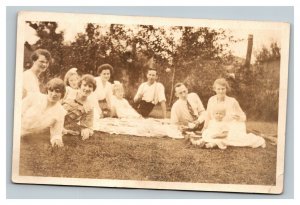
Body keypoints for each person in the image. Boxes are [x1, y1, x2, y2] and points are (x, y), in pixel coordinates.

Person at [21, 78, 66, 147]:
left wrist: (56, 140)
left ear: (62, 94)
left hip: (29, 137)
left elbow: (57, 132)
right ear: (47, 90)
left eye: (57, 91)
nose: (53, 94)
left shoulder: (60, 111)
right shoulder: (35, 97)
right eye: (51, 90)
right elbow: (17, 111)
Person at [62, 74, 96, 140]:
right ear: (80, 85)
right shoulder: (69, 92)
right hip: (53, 117)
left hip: (67, 125)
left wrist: (85, 130)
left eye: (90, 86)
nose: (87, 89)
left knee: (82, 131)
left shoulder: (89, 107)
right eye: (85, 85)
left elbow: (87, 125)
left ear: (93, 89)